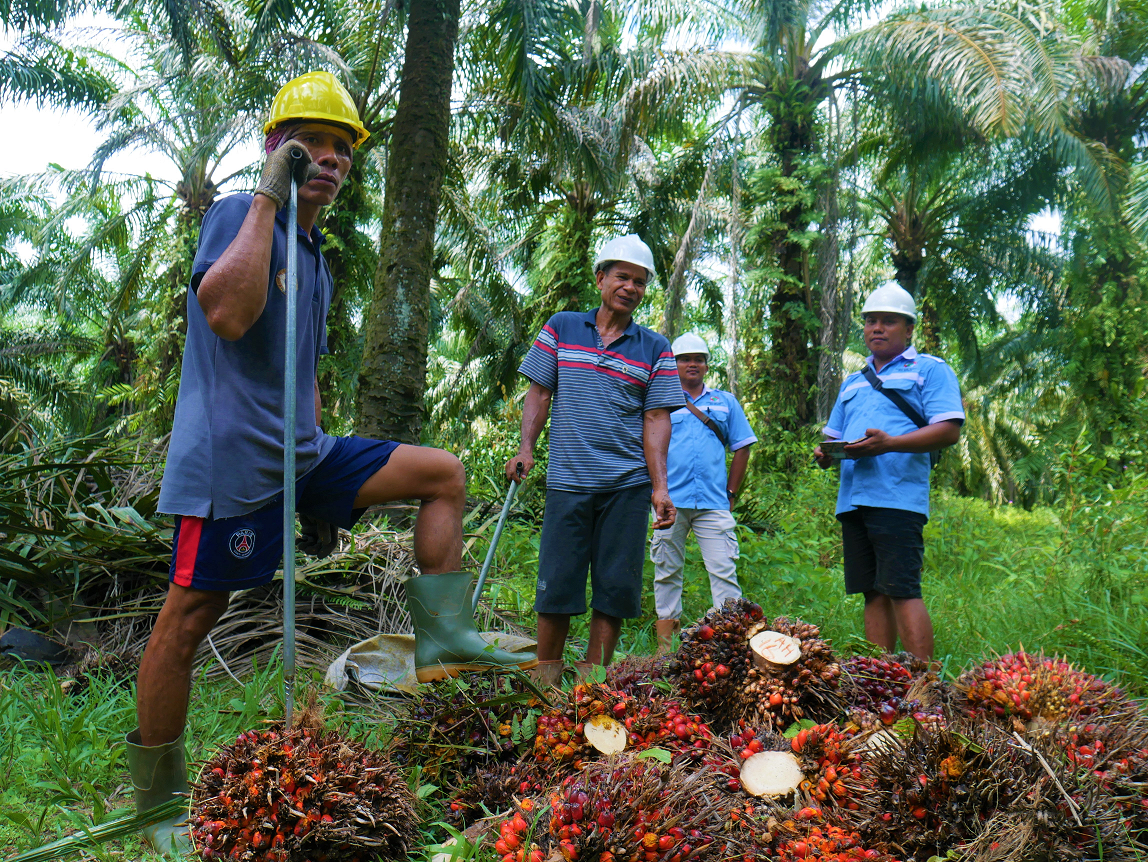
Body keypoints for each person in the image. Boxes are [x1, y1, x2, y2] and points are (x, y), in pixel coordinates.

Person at [129, 71, 535, 856]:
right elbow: (228, 311)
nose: (329, 158)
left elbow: (306, 369)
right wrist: (266, 197)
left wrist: (317, 465)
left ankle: (446, 639)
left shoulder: (315, 257)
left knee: (443, 472)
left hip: (304, 457)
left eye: (342, 148)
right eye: (310, 142)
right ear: (275, 147)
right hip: (231, 467)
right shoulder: (237, 219)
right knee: (188, 618)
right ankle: (154, 806)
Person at [505, 235, 685, 684]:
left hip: (626, 485)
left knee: (615, 584)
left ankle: (593, 683)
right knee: (557, 582)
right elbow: (539, 391)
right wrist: (526, 448)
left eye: (640, 281)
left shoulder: (655, 347)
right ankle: (545, 682)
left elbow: (658, 418)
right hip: (568, 480)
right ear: (600, 278)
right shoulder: (563, 327)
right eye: (622, 277)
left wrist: (660, 486)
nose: (630, 287)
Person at [814, 282, 964, 661]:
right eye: (870, 321)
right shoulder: (852, 381)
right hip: (853, 500)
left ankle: (924, 686)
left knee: (901, 588)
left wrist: (890, 443)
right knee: (872, 590)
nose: (877, 328)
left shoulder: (929, 370)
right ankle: (879, 681)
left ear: (909, 328)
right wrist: (825, 453)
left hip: (897, 497)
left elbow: (948, 430)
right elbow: (831, 437)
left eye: (888, 322)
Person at [651, 333, 757, 653]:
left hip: (713, 502)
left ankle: (729, 644)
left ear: (707, 365)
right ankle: (666, 649)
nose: (692, 364)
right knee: (666, 571)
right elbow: (650, 446)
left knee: (723, 570)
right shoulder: (660, 401)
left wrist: (731, 492)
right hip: (669, 501)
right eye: (685, 358)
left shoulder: (725, 402)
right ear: (673, 364)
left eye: (698, 358)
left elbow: (742, 447)